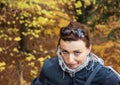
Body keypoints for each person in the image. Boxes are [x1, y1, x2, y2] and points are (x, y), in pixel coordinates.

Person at [31, 22, 120, 85]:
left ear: (89, 49)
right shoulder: (49, 68)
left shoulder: (105, 76)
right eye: (64, 52)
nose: (70, 60)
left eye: (77, 53)